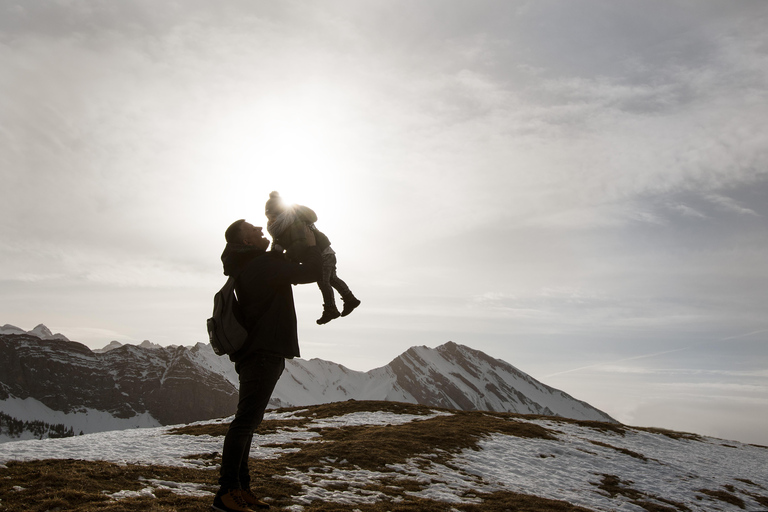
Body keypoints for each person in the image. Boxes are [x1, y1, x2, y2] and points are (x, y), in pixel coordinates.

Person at [212, 219, 322, 512]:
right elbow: (309, 271)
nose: (261, 230)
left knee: (247, 424)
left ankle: (240, 489)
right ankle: (226, 493)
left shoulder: (250, 264)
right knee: (245, 423)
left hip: (258, 352)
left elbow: (277, 261)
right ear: (246, 241)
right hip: (263, 352)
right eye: (254, 230)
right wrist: (311, 246)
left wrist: (279, 243)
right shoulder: (260, 266)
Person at [264, 191, 360, 325]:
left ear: (280, 213)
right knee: (331, 279)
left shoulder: (294, 222)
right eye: (268, 217)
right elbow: (277, 244)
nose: (270, 220)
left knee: (323, 280)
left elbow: (300, 243)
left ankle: (331, 309)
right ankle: (350, 299)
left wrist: (288, 257)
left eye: (273, 216)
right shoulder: (279, 229)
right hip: (322, 253)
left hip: (323, 253)